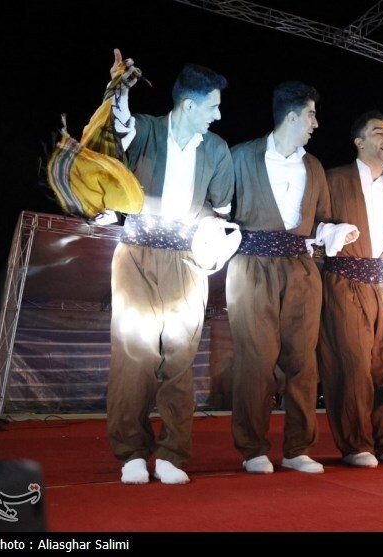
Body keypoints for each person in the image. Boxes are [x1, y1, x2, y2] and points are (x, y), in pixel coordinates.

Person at [106, 49, 235, 484]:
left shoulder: (217, 150)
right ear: (188, 104)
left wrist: (214, 239)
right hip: (136, 253)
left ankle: (171, 453)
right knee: (134, 353)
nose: (218, 115)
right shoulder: (145, 129)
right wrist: (119, 91)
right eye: (213, 106)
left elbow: (221, 211)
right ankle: (131, 452)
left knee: (180, 356)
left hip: (187, 260)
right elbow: (118, 126)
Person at [227, 81, 358, 475]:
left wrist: (336, 231)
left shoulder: (313, 166)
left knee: (302, 360)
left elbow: (320, 221)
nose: (315, 123)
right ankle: (253, 448)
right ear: (290, 116)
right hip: (252, 267)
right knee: (255, 360)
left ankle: (298, 448)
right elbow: (220, 210)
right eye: (310, 115)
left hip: (301, 269)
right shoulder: (241, 156)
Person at [318, 110, 383, 468]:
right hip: (344, 280)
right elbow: (311, 224)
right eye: (378, 132)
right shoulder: (334, 179)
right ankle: (355, 444)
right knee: (351, 365)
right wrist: (330, 233)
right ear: (359, 141)